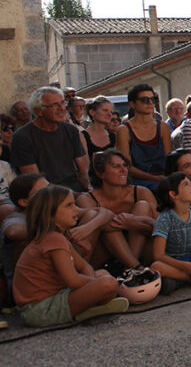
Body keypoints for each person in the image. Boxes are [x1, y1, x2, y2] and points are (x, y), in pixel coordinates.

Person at [12, 185, 129, 326]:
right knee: (108, 283)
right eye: (69, 205)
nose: (76, 209)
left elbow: (83, 265)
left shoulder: (57, 237)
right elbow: (72, 281)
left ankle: (88, 309)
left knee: (103, 275)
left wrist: (94, 284)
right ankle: (89, 309)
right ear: (50, 213)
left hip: (51, 299)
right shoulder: (52, 239)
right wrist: (97, 286)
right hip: (39, 309)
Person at [77, 149, 158, 273]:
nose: (123, 170)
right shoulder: (87, 199)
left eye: (125, 166)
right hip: (104, 255)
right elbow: (98, 224)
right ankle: (134, 269)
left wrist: (135, 223)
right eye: (116, 166)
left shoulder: (141, 192)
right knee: (102, 218)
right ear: (100, 173)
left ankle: (130, 268)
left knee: (142, 206)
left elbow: (161, 229)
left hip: (141, 249)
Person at [11, 86, 89, 192]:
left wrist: (90, 194)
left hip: (74, 187)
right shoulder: (22, 137)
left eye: (62, 103)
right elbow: (34, 180)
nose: (62, 108)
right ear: (38, 111)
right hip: (44, 194)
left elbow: (83, 170)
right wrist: (72, 195)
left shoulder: (71, 130)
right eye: (55, 105)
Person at [116, 84, 172, 191]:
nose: (150, 103)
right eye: (144, 100)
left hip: (163, 178)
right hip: (138, 181)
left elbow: (168, 159)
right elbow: (126, 166)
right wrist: (154, 178)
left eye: (153, 99)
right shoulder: (124, 130)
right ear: (132, 104)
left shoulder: (163, 127)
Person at [81, 96, 116, 166]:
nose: (109, 114)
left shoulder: (113, 136)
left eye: (111, 112)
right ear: (92, 112)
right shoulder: (82, 136)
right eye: (105, 110)